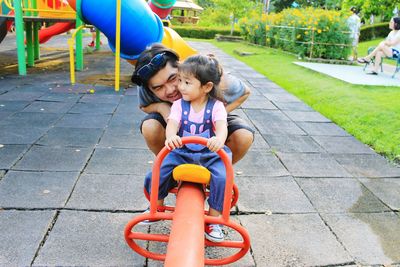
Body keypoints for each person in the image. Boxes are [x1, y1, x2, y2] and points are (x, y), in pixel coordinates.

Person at [142, 54, 231, 243]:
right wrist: (171, 136)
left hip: (210, 154)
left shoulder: (216, 107)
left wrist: (219, 139)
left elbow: (222, 127)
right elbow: (173, 123)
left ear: (206, 87)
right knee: (159, 170)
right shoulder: (178, 105)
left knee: (223, 176)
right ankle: (156, 205)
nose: (180, 87)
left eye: (187, 83)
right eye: (180, 80)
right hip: (182, 152)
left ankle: (214, 220)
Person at [131, 43, 254, 164]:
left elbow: (246, 92)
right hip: (175, 118)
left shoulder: (212, 79)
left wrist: (216, 115)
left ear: (181, 66)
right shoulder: (146, 81)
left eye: (173, 78)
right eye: (158, 88)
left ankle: (216, 171)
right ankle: (169, 166)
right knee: (150, 126)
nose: (170, 90)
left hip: (208, 113)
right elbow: (144, 105)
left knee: (244, 136)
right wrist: (163, 108)